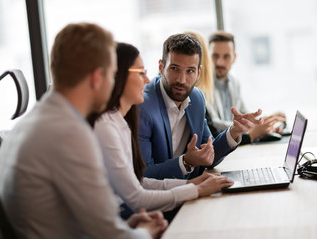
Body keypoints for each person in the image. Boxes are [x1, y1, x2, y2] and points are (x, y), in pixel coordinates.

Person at [0, 23, 167, 239]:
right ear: (96, 78)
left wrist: (129, 226)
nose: (114, 83)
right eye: (112, 75)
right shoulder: (70, 133)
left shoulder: (34, 122)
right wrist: (144, 232)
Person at [90, 42, 233, 221]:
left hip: (124, 215)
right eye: (141, 72)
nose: (148, 79)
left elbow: (138, 183)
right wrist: (195, 189)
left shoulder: (119, 123)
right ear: (117, 76)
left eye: (190, 71)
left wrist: (189, 184)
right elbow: (136, 194)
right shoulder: (108, 126)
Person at [138, 33, 263, 180]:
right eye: (174, 68)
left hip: (191, 192)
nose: (182, 80)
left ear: (198, 73)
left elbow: (209, 154)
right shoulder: (142, 107)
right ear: (161, 67)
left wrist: (234, 132)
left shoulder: (196, 98)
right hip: (160, 198)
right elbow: (144, 175)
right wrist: (186, 162)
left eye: (190, 71)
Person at [208, 30, 287, 144]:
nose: (220, 62)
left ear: (234, 58)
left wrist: (266, 121)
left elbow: (245, 114)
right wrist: (253, 127)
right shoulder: (202, 86)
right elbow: (214, 126)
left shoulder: (234, 83)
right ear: (207, 57)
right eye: (215, 56)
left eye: (226, 56)